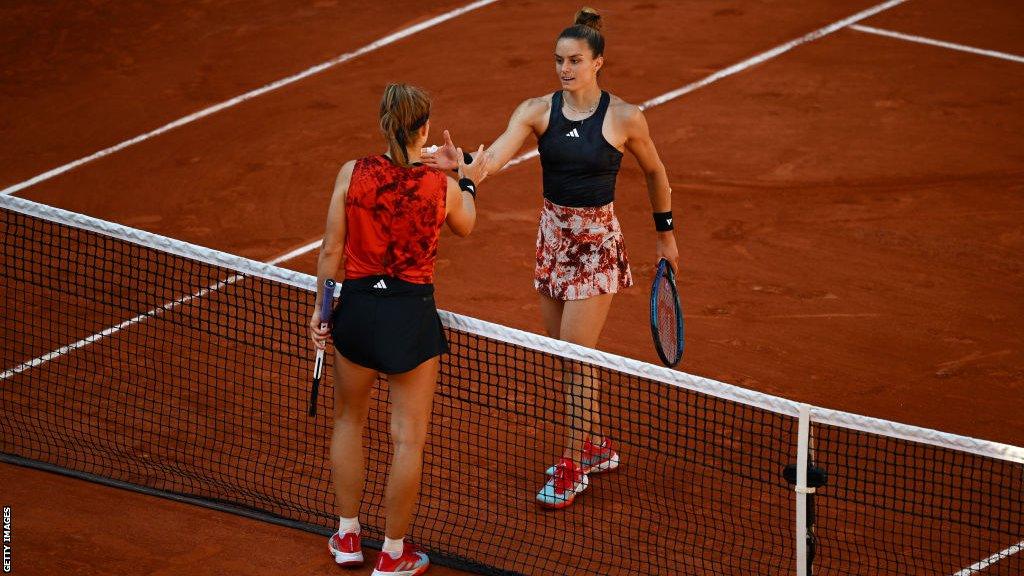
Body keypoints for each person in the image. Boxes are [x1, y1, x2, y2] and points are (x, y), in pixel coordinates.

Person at [422, 7, 678, 509]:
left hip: (597, 244)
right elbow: (494, 155)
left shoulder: (625, 117)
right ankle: (596, 444)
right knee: (564, 357)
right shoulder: (537, 110)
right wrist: (466, 168)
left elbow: (655, 172)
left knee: (574, 355)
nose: (565, 69)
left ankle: (573, 463)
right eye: (559, 60)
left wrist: (664, 234)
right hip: (553, 239)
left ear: (597, 62)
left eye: (575, 60)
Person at [310, 83, 488, 575]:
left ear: (383, 124)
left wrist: (323, 314)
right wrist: (465, 175)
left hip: (357, 315)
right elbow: (467, 224)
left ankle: (347, 537)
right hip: (409, 320)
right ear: (424, 129)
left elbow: (330, 254)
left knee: (349, 422)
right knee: (407, 439)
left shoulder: (353, 174)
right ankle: (392, 555)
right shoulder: (442, 189)